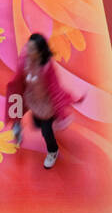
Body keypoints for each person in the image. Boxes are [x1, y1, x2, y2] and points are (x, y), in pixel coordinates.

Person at [6, 33, 79, 169]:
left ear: (39, 53)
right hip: (33, 100)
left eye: (32, 49)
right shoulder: (25, 61)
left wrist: (61, 113)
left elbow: (55, 89)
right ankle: (38, 125)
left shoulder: (46, 68)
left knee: (46, 131)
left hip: (46, 104)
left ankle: (53, 151)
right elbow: (18, 80)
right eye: (28, 47)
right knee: (37, 123)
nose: (28, 50)